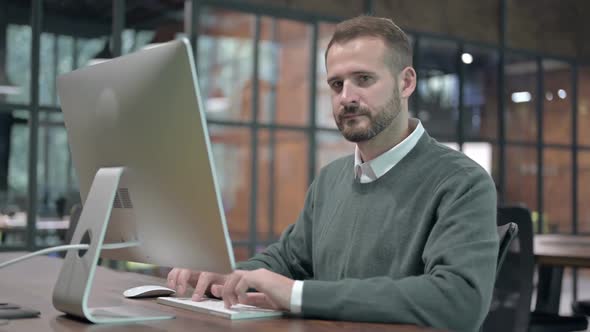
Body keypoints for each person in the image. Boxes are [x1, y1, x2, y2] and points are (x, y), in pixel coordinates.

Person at [167, 15, 498, 332]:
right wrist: (231, 277)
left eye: (363, 79)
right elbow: (288, 259)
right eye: (336, 84)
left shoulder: (462, 182)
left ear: (406, 82)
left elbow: (459, 301)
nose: (346, 97)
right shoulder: (331, 179)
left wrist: (297, 295)